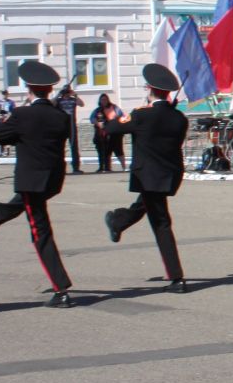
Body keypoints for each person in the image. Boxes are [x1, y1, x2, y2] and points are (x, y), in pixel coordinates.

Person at [0, 61, 77, 306]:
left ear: (29, 88)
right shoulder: (61, 116)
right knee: (32, 209)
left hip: (31, 179)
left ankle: (61, 289)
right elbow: (55, 135)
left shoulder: (23, 114)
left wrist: (19, 130)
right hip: (53, 179)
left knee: (40, 232)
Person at [101, 65, 192, 292]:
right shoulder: (179, 118)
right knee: (149, 206)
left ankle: (177, 278)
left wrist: (114, 116)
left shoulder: (142, 114)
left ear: (150, 89)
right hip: (169, 174)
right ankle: (118, 221)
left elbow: (112, 129)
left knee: (161, 223)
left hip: (148, 174)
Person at [90, 94, 125, 172]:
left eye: (105, 99)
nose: (104, 101)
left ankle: (124, 167)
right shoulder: (97, 110)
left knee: (118, 150)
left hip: (115, 133)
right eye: (102, 99)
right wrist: (97, 123)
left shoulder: (114, 107)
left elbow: (122, 116)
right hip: (102, 133)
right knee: (103, 150)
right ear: (99, 101)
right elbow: (92, 119)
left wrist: (116, 121)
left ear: (108, 100)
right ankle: (104, 167)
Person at [55, 83, 85, 172]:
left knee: (74, 147)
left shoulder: (73, 99)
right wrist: (58, 94)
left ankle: (76, 167)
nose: (66, 93)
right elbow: (51, 104)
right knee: (60, 147)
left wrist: (75, 95)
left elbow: (82, 104)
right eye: (65, 91)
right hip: (62, 125)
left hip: (71, 125)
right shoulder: (59, 100)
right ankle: (60, 168)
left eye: (68, 91)